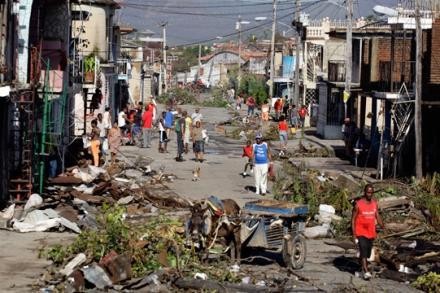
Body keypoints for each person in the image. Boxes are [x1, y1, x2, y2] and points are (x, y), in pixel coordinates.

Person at [352, 184, 385, 280]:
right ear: (364, 192)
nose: (369, 194)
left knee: (367, 252)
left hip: (370, 232)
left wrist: (382, 225)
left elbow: (377, 215)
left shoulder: (374, 203)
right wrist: (354, 235)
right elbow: (353, 219)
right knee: (363, 249)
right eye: (368, 192)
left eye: (371, 192)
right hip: (360, 231)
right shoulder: (358, 204)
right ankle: (366, 271)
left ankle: (360, 269)